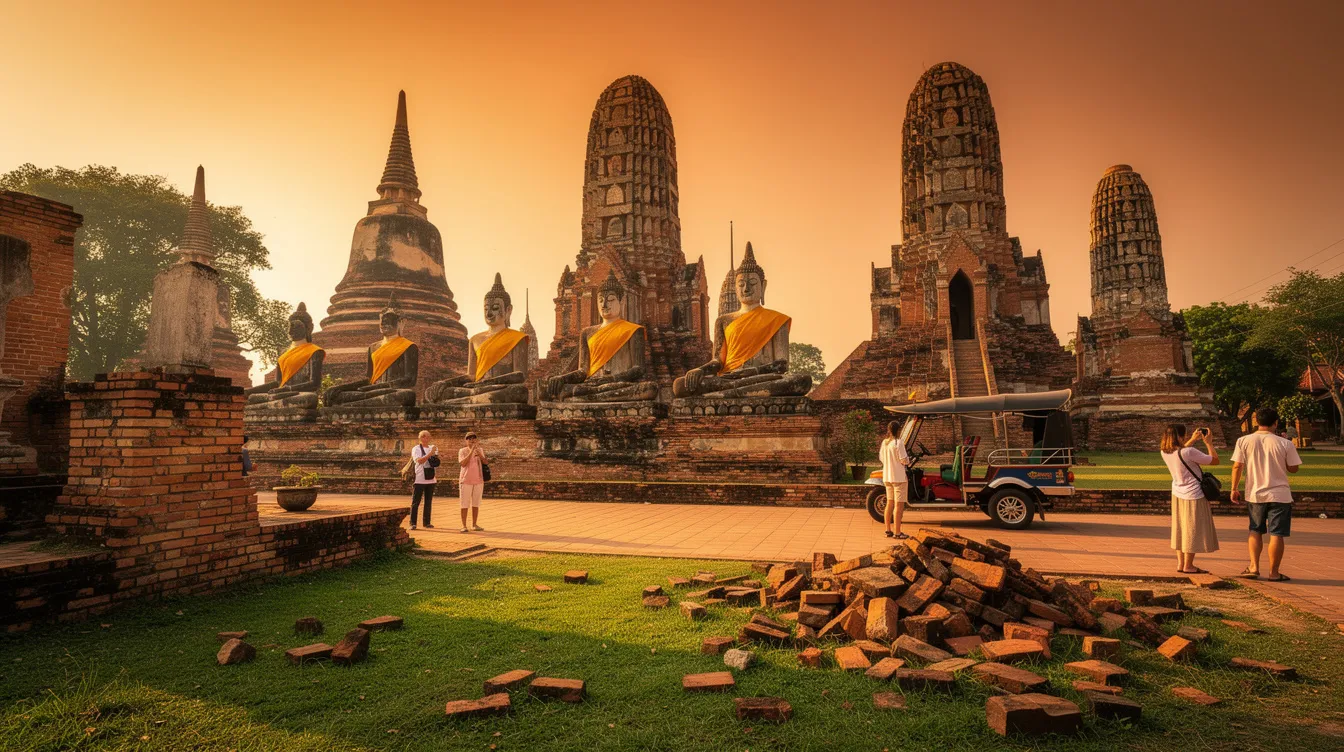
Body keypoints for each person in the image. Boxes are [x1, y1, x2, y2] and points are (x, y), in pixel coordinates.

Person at [1230, 407, 1302, 581]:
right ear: (1275, 423)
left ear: (1257, 422)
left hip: (1255, 493)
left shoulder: (1243, 440)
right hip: (1280, 494)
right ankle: (1274, 572)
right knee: (1277, 534)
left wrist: (1234, 488)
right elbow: (1293, 468)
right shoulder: (1285, 443)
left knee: (1255, 530)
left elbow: (1237, 466)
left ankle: (1253, 567)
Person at [1159, 424, 1220, 574]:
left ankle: (1181, 564)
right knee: (1192, 529)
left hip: (1178, 493)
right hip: (1194, 495)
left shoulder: (1165, 452)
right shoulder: (1190, 452)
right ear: (1180, 436)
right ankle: (1188, 565)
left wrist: (1193, 439)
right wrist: (1209, 443)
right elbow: (1214, 460)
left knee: (1180, 528)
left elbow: (1181, 453)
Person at [879, 420, 911, 540]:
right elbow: (903, 459)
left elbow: (881, 458)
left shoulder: (885, 443)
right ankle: (897, 532)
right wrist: (908, 460)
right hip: (898, 477)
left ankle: (888, 530)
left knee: (889, 503)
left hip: (887, 476)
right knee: (899, 506)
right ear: (899, 430)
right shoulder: (898, 442)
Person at [458, 432, 487, 533]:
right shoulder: (462, 451)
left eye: (473, 438)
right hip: (466, 480)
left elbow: (485, 462)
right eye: (469, 439)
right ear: (466, 441)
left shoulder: (480, 450)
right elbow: (463, 463)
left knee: (476, 503)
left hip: (478, 480)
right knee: (464, 503)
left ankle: (474, 524)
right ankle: (464, 525)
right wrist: (471, 452)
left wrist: (479, 454)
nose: (471, 440)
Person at [410, 430, 438, 531]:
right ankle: (413, 523)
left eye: (428, 436)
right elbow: (419, 461)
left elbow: (435, 462)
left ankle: (427, 522)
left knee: (428, 501)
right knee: (416, 502)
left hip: (431, 478)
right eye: (424, 436)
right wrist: (430, 453)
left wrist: (434, 455)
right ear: (420, 438)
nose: (426, 438)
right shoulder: (416, 449)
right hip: (420, 478)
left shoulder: (433, 448)